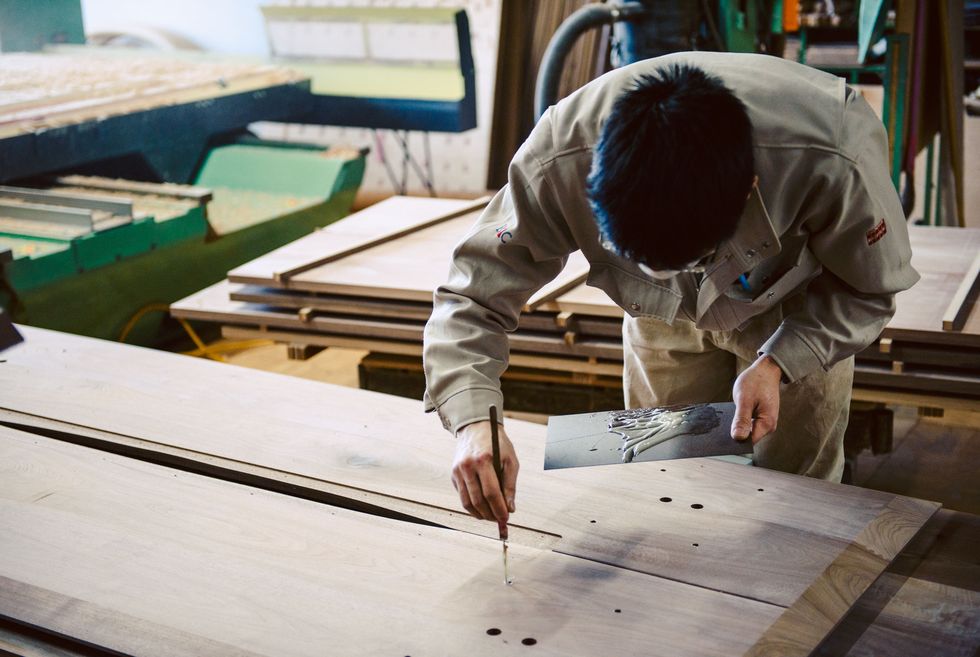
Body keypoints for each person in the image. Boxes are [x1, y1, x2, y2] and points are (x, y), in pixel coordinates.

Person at [421, 52, 919, 528]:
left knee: (798, 504)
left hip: (794, 311)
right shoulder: (558, 160)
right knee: (665, 486)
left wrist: (781, 362)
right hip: (658, 314)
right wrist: (472, 422)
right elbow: (471, 297)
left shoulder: (834, 150)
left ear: (747, 188)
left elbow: (869, 290)